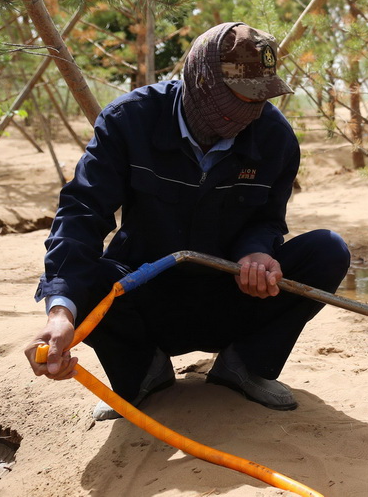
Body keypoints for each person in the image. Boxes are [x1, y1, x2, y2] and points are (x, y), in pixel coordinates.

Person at [24, 22, 350, 420]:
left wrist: (257, 252)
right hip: (143, 292)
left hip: (230, 294)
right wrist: (61, 313)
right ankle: (142, 372)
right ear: (201, 79)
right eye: (241, 96)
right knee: (80, 279)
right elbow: (81, 212)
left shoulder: (275, 138)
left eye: (261, 97)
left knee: (327, 250)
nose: (252, 110)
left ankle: (245, 366)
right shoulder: (130, 121)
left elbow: (268, 220)